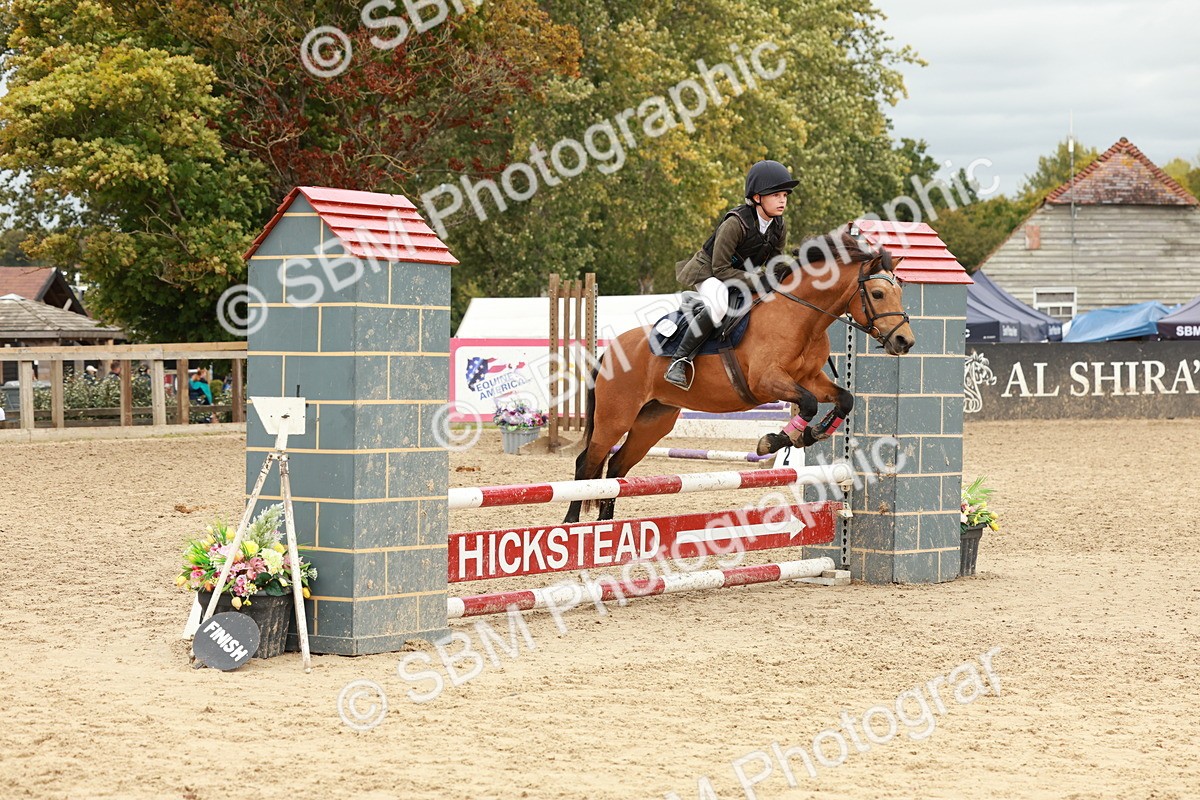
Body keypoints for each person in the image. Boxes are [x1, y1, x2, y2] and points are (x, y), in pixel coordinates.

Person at [667, 160, 798, 389]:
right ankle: (679, 359)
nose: (782, 200)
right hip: (709, 272)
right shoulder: (735, 223)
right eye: (776, 195)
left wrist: (792, 272)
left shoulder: (779, 225)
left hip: (739, 274)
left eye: (785, 195)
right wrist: (759, 280)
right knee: (718, 306)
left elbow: (775, 263)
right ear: (757, 197)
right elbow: (721, 269)